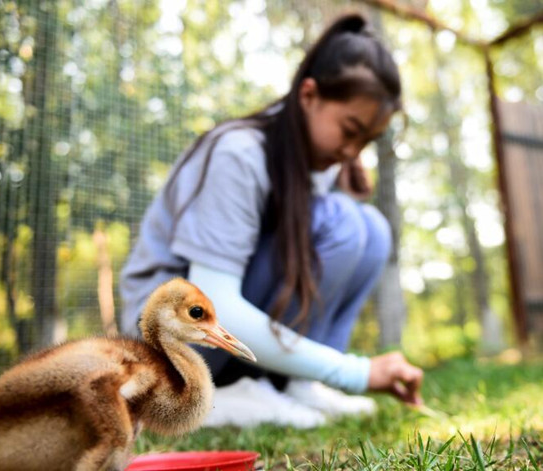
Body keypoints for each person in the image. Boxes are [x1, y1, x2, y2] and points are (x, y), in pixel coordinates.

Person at [120, 13, 423, 427]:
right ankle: (202, 398)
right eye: (349, 130)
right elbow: (213, 302)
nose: (353, 152)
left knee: (372, 229)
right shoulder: (239, 154)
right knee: (347, 223)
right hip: (167, 346)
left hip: (228, 341)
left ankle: (298, 386)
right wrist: (355, 371)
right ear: (309, 95)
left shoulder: (319, 169)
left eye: (365, 141)